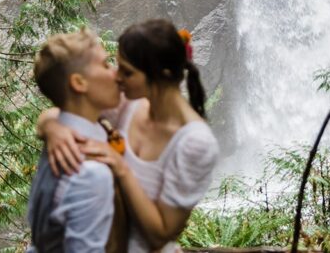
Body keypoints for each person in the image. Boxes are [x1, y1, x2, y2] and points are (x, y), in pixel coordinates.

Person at [39, 19, 218, 253]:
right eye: (115, 65)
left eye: (127, 71)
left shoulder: (195, 143)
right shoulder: (128, 105)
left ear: (161, 75)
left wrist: (120, 168)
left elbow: (160, 234)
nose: (116, 76)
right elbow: (64, 110)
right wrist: (54, 129)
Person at [27, 29, 121, 253]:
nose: (116, 73)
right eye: (106, 65)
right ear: (79, 82)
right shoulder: (89, 173)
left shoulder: (66, 135)